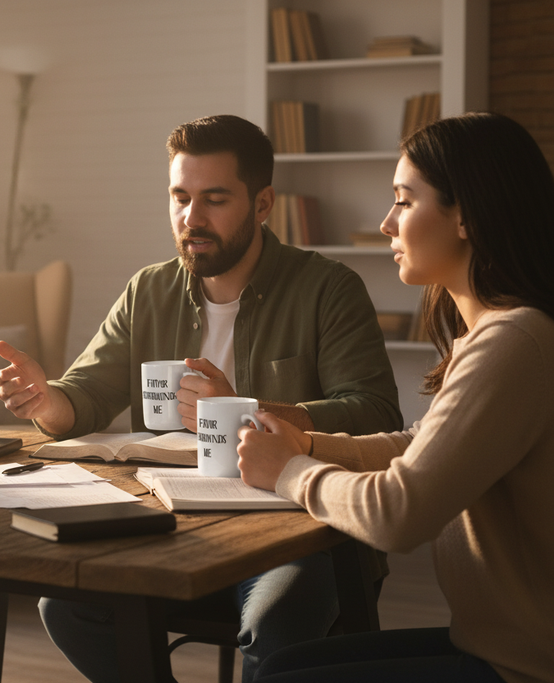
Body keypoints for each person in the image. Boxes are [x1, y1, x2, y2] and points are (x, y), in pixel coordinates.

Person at [0, 114, 403, 682]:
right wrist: (44, 402)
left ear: (262, 204)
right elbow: (85, 392)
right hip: (172, 524)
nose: (192, 218)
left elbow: (376, 413)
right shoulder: (149, 290)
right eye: (180, 197)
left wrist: (248, 408)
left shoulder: (328, 289)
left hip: (296, 534)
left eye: (214, 199)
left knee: (276, 622)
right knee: (67, 603)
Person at [237, 112, 554, 683]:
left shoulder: (514, 341)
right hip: (494, 646)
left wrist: (291, 471)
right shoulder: (495, 334)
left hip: (520, 667)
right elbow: (422, 445)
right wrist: (310, 442)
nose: (386, 223)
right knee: (281, 668)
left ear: (466, 216)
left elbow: (398, 514)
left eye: (405, 201)